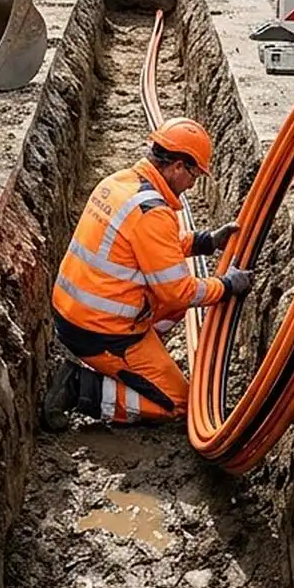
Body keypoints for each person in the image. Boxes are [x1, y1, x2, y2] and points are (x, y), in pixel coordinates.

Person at [41, 118, 253, 429]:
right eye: (194, 175)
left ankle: (139, 365)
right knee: (178, 402)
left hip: (75, 313)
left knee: (174, 306)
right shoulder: (152, 213)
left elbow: (150, 247)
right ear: (177, 167)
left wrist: (205, 241)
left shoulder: (119, 183)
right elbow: (179, 292)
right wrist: (226, 286)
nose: (193, 184)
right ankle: (80, 386)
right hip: (102, 333)